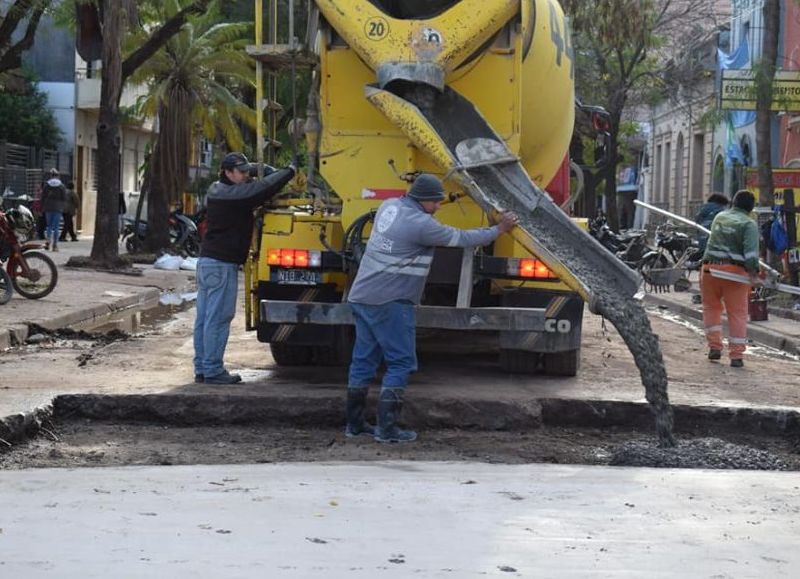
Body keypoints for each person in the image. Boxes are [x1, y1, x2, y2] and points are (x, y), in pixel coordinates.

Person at [345, 173, 519, 443]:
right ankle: (387, 429)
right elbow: (462, 238)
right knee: (401, 362)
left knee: (363, 360)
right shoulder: (421, 225)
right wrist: (499, 229)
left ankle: (354, 426)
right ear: (424, 200)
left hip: (362, 295)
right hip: (390, 301)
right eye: (436, 202)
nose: (439, 206)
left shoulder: (390, 206)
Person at [193, 152, 296, 385]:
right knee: (218, 319)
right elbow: (260, 190)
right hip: (221, 265)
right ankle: (213, 370)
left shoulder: (217, 189)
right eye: (241, 172)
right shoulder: (232, 195)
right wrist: (288, 171)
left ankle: (202, 368)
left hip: (209, 263)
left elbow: (253, 184)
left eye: (247, 171)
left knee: (205, 319)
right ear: (227, 172)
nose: (246, 175)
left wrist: (261, 167)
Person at [700, 189, 760, 368]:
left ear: (733, 203)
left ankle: (714, 347)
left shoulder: (720, 217)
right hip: (734, 274)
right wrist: (754, 275)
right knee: (737, 313)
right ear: (751, 208)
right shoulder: (748, 224)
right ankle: (736, 356)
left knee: (711, 308)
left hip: (709, 269)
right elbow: (751, 255)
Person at [41, 168, 67, 251]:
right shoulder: (61, 186)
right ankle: (55, 245)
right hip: (58, 208)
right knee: (56, 227)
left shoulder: (47, 185)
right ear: (58, 176)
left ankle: (48, 242)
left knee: (49, 226)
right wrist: (63, 207)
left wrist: (42, 207)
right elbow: (64, 198)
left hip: (48, 208)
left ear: (51, 176)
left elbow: (43, 197)